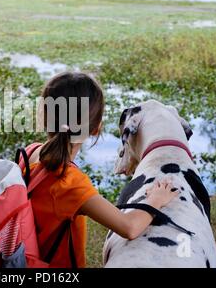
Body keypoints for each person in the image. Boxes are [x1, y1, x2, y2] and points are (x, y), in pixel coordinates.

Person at [25, 72, 178, 267]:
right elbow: (129, 227)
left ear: (45, 118)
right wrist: (156, 199)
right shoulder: (69, 183)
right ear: (96, 128)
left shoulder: (31, 153)